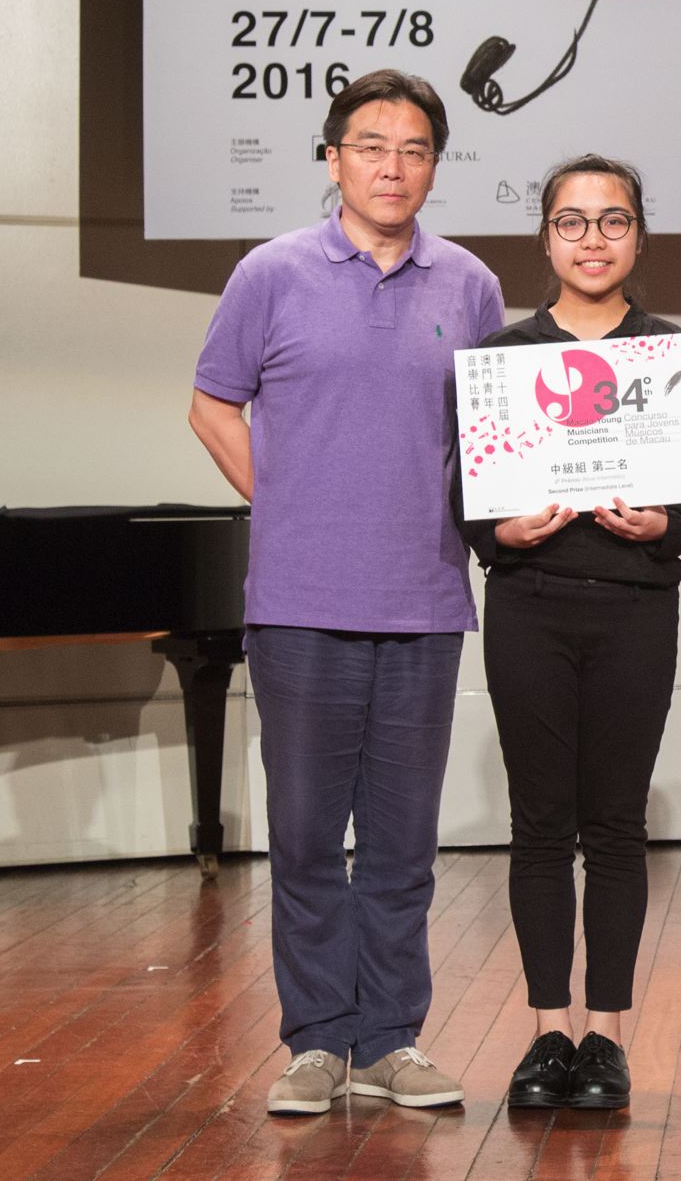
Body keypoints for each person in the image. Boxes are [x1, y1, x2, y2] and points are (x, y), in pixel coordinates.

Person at [188, 70, 505, 1116]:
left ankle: (390, 1038)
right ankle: (318, 1041)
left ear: (434, 166)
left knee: (404, 842)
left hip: (425, 598)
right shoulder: (270, 272)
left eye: (414, 149)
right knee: (307, 833)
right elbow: (211, 403)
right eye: (371, 146)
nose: (391, 167)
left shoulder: (469, 284)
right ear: (333, 158)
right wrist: (284, 499)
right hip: (298, 603)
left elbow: (493, 435)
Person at [466, 154, 681, 1112]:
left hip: (633, 610)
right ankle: (548, 1033)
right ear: (546, 239)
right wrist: (500, 532)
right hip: (528, 605)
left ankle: (607, 1036)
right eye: (572, 222)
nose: (592, 239)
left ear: (638, 237)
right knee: (539, 826)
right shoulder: (501, 359)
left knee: (616, 825)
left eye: (612, 221)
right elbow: (463, 494)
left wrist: (664, 523)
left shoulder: (669, 357)